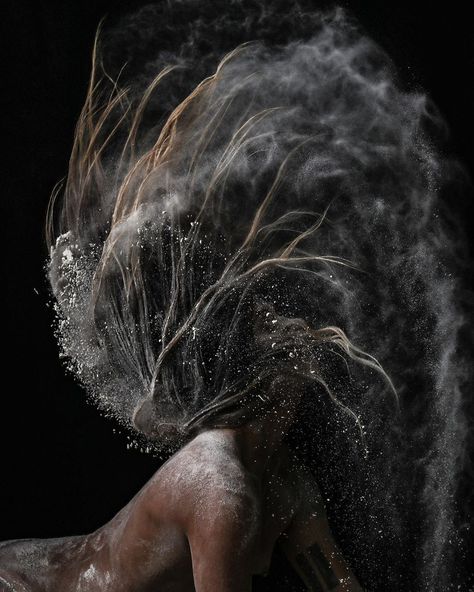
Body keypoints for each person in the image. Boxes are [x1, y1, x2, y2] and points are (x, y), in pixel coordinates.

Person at [1, 7, 411, 590]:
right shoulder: (222, 486)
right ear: (262, 372)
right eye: (278, 326)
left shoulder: (286, 480)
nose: (304, 329)